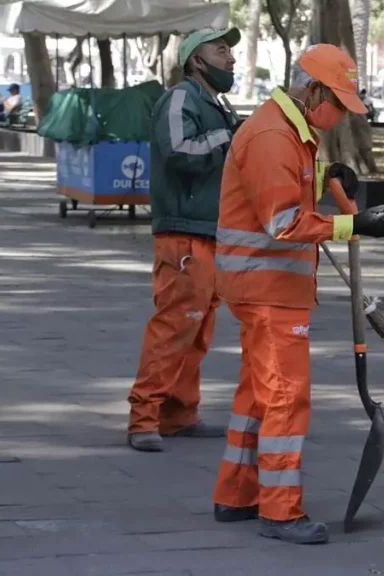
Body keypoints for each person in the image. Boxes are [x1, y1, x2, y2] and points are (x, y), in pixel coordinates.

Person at [210, 44, 384, 545]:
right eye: (336, 104)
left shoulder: (292, 130)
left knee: (257, 394)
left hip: (262, 283)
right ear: (312, 90)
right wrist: (351, 223)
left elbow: (287, 190)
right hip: (268, 286)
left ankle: (236, 494)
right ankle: (280, 510)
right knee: (287, 399)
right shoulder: (273, 135)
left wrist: (327, 176)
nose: (338, 117)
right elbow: (282, 221)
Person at [126, 27, 241, 453]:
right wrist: (229, 137)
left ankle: (178, 414)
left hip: (209, 232)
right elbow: (178, 150)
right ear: (196, 59)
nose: (231, 59)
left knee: (198, 329)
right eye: (222, 50)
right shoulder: (180, 98)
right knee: (175, 326)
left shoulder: (214, 103)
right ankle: (144, 416)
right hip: (184, 235)